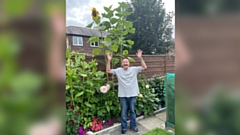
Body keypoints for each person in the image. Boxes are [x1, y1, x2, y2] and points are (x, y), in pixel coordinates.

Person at [106, 49, 147, 135]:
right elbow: (108, 71)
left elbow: (144, 67)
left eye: (126, 62)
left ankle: (133, 126)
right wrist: (109, 60)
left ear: (129, 63)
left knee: (132, 111)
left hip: (133, 95)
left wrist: (140, 58)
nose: (125, 63)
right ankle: (124, 128)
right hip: (122, 95)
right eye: (124, 62)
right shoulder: (118, 71)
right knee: (123, 112)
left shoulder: (134, 69)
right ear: (122, 64)